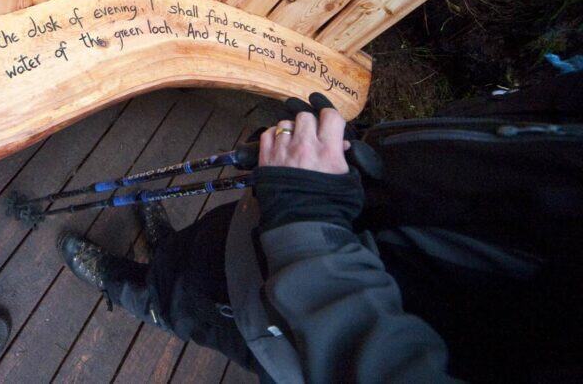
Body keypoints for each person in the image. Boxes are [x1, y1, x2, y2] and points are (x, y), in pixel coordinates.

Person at [59, 94, 458, 382]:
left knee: (183, 305)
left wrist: (309, 221)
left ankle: (121, 282)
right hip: (297, 222)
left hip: (284, 321)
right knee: (204, 246)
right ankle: (167, 248)